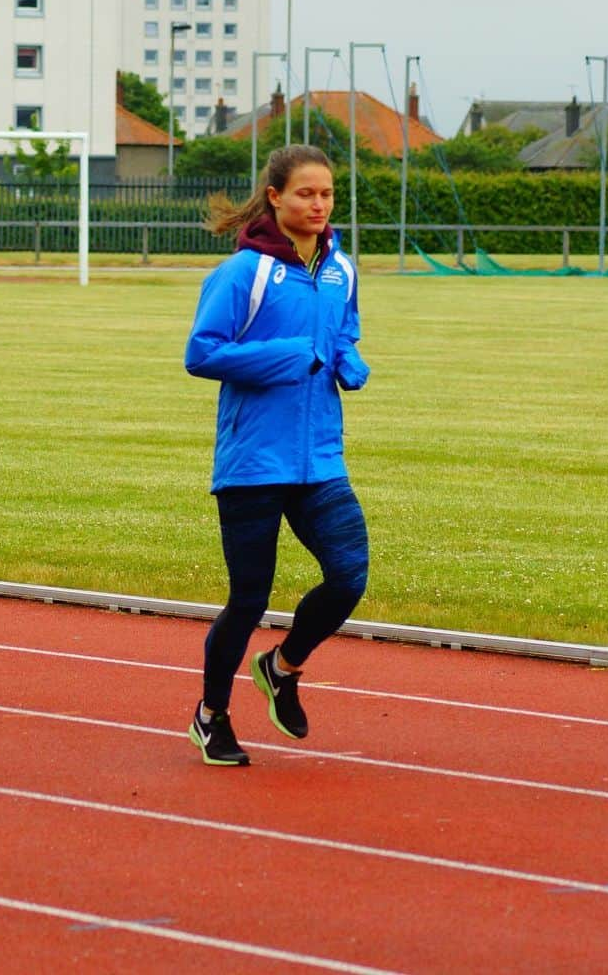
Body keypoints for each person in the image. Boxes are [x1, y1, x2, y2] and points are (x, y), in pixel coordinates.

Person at [183, 145, 370, 766]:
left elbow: (344, 329)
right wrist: (294, 356)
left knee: (348, 577)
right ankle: (211, 716)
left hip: (319, 459)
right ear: (276, 198)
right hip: (255, 461)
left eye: (327, 194)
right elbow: (202, 353)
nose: (319, 205)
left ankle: (282, 667)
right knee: (250, 598)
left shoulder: (341, 267)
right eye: (306, 195)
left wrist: (348, 358)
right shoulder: (244, 273)